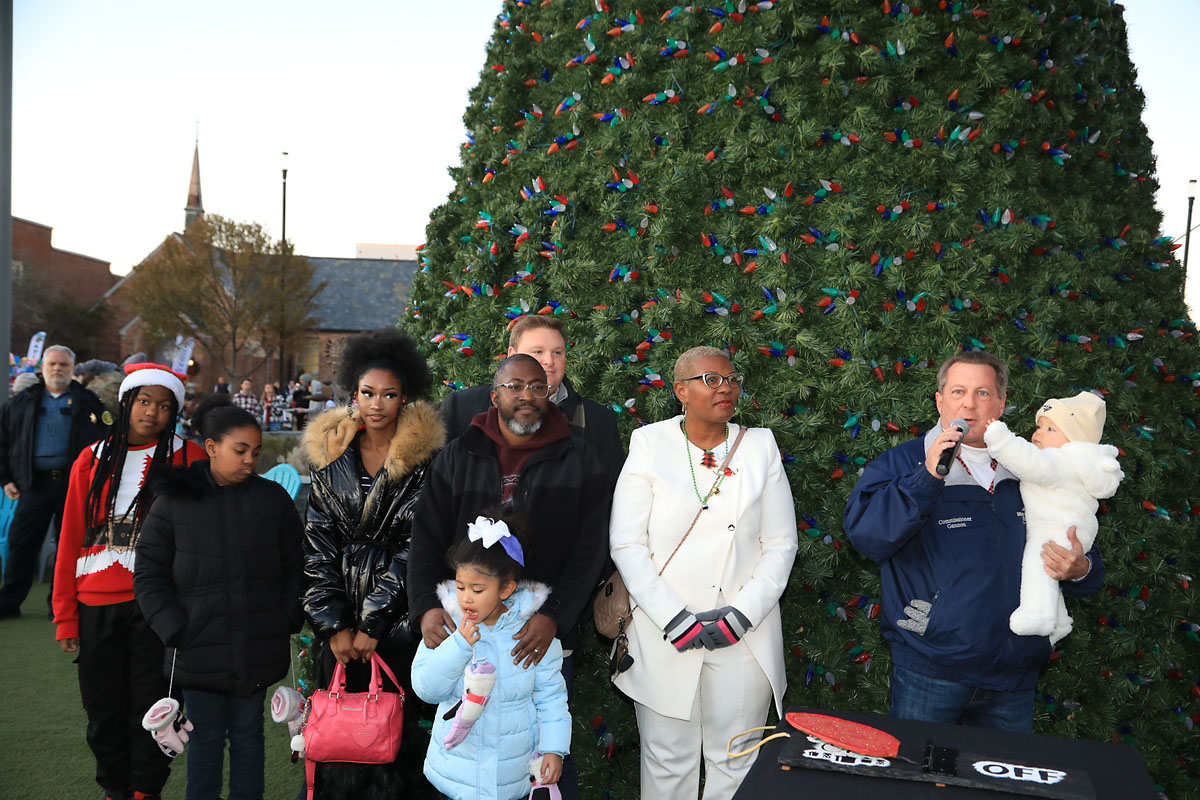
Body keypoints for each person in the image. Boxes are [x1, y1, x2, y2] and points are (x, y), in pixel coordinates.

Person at [843, 351, 1105, 732]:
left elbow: (1082, 551)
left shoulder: (1033, 469)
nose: (968, 403)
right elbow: (868, 538)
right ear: (939, 400)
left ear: (1001, 401)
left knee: (1004, 790)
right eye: (958, 391)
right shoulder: (905, 462)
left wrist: (1082, 569)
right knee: (917, 784)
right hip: (930, 669)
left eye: (982, 393)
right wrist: (926, 478)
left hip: (1014, 676)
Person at [409, 354, 611, 799]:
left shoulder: (579, 458)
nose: (527, 396)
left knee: (538, 740)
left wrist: (555, 615)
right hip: (469, 626)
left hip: (538, 636)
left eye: (537, 387)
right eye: (515, 386)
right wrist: (424, 605)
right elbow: (424, 537)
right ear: (495, 394)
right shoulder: (459, 454)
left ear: (549, 393)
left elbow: (591, 549)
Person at [608, 346, 797, 800]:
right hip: (663, 631)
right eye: (711, 379)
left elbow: (781, 544)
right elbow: (627, 544)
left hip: (742, 635)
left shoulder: (760, 445)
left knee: (736, 758)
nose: (726, 387)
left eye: (732, 378)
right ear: (681, 392)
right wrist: (673, 617)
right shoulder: (649, 443)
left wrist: (742, 614)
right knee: (667, 761)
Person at [135, 394, 304, 800]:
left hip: (257, 646)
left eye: (256, 451)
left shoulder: (273, 499)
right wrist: (172, 626)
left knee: (250, 740)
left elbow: (297, 565)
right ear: (211, 447)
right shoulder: (174, 501)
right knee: (206, 742)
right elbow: (149, 573)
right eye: (240, 450)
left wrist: (286, 615)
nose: (250, 460)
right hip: (197, 649)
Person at [301, 329, 446, 799]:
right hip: (339, 631)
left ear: (406, 398)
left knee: (398, 743)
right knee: (340, 738)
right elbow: (317, 550)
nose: (377, 403)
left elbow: (416, 550)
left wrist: (373, 624)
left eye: (389, 394)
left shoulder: (429, 465)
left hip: (400, 627)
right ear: (353, 395)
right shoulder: (328, 461)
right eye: (367, 393)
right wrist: (333, 625)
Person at [52, 363, 206, 800]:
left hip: (159, 605)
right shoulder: (91, 459)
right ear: (125, 404)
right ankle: (114, 790)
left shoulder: (190, 458)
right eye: (143, 401)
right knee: (103, 709)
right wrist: (65, 615)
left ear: (174, 411)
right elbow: (69, 538)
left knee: (155, 707)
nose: (152, 412)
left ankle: (146, 790)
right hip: (95, 602)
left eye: (163, 405)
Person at [411, 508, 570, 800]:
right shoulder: (447, 623)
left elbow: (551, 697)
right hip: (454, 779)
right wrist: (458, 644)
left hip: (509, 781)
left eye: (478, 589)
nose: (466, 597)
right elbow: (427, 689)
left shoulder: (532, 633)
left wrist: (553, 749)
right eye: (460, 586)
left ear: (506, 589)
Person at [983, 392, 1123, 643]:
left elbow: (1029, 462)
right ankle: (1058, 620)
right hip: (1068, 529)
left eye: (1050, 428)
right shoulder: (1079, 464)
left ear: (1074, 440)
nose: (1038, 433)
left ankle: (1039, 615)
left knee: (1038, 564)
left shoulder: (1060, 460)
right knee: (1045, 574)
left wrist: (1000, 438)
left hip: (1055, 530)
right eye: (1039, 426)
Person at [438, 316, 624, 488]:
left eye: (557, 352)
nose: (549, 361)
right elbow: (436, 490)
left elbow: (608, 499)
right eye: (538, 351)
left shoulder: (598, 421)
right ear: (512, 354)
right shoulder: (462, 408)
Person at [0, 344, 108, 619]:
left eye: (63, 365)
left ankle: (60, 605)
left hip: (74, 487)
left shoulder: (89, 403)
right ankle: (9, 602)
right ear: (42, 368)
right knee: (21, 543)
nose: (57, 369)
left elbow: (104, 443)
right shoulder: (21, 402)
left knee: (68, 545)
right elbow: (3, 442)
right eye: (52, 364)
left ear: (72, 370)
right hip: (33, 485)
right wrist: (5, 478)